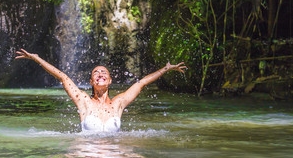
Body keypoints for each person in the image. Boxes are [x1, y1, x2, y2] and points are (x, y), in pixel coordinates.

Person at [15, 49, 187, 132]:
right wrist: (38, 59)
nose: (100, 74)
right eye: (95, 72)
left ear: (110, 80)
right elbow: (62, 77)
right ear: (91, 81)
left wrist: (165, 70)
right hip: (86, 154)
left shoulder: (118, 103)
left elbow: (141, 83)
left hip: (114, 154)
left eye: (103, 72)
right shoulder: (83, 100)